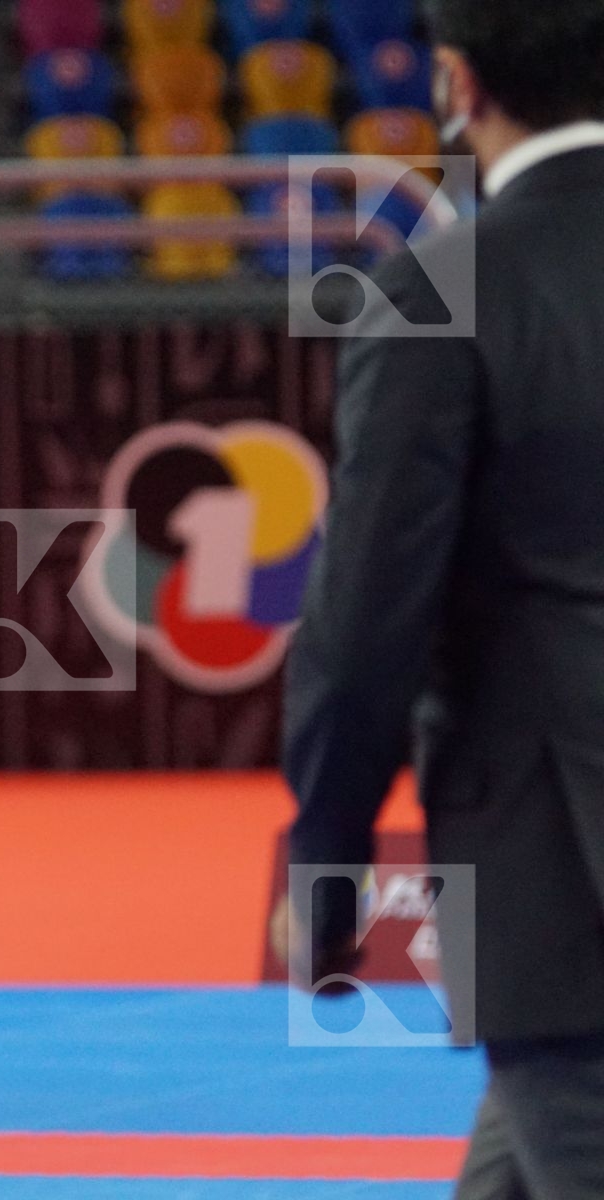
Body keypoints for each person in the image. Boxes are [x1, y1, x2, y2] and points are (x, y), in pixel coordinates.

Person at [272, 1, 604, 1196]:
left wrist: (326, 865)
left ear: (459, 85)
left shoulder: (442, 290)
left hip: (567, 878)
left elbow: (367, 616)